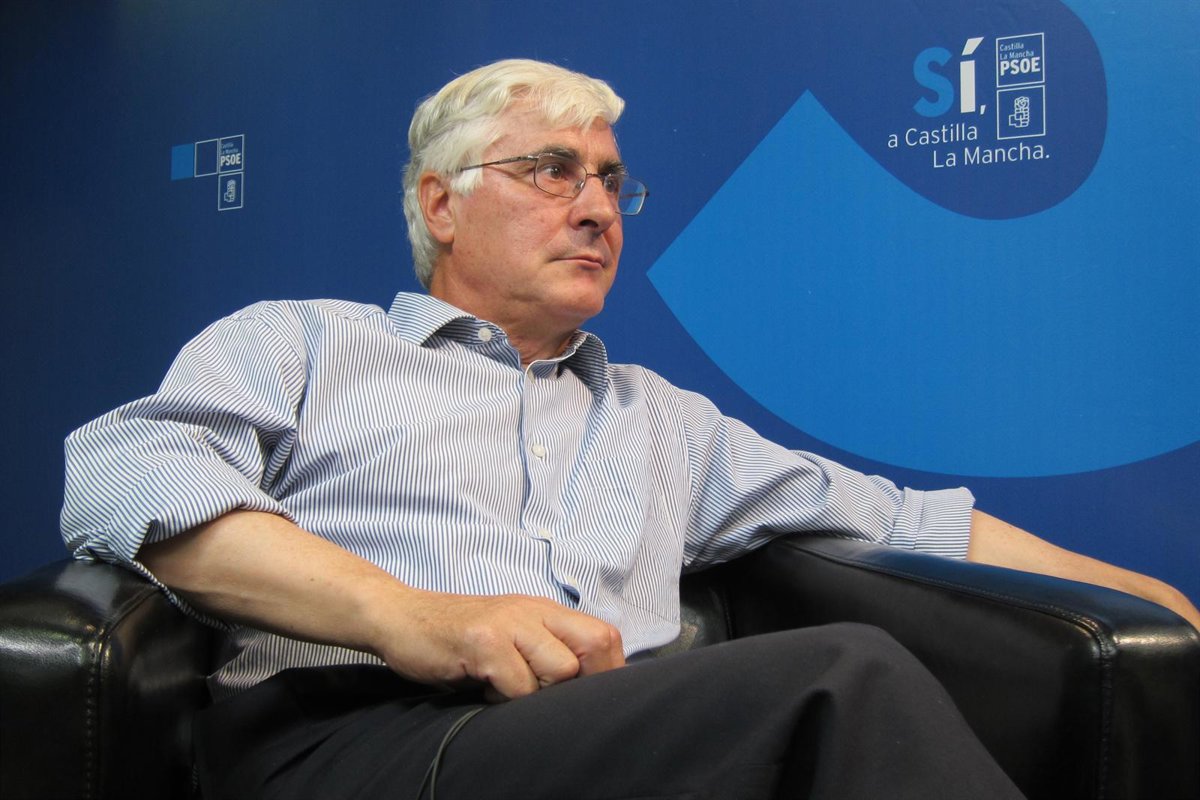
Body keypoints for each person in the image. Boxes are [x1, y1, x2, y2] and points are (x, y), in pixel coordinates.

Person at [61, 58, 1199, 799]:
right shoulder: (304, 340)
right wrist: (414, 616)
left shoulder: (663, 417)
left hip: (613, 739)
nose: (599, 207)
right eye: (552, 171)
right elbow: (123, 472)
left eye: (611, 181)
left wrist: (1150, 597)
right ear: (441, 204)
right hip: (355, 741)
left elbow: (907, 521)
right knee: (841, 679)